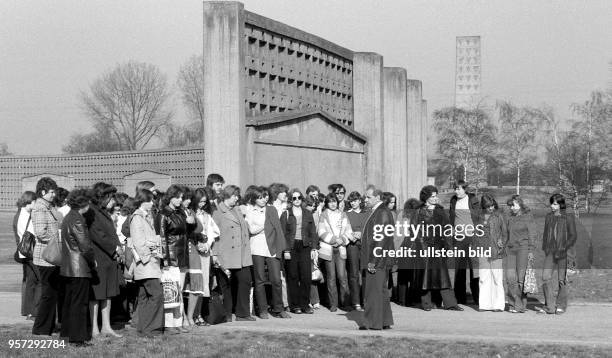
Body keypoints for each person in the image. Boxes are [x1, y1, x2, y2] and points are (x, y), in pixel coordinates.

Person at [414, 185, 463, 312]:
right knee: (426, 275)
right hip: (424, 248)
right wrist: (422, 246)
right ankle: (426, 303)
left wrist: (448, 246)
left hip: (438, 247)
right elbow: (414, 230)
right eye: (433, 196)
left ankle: (451, 304)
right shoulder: (419, 211)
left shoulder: (440, 210)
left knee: (443, 275)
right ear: (426, 197)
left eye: (436, 196)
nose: (436, 198)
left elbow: (447, 228)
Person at [85, 182, 123, 338]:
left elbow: (111, 234)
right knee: (96, 295)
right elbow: (98, 235)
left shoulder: (104, 211)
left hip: (109, 258)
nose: (112, 201)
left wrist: (119, 248)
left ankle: (106, 327)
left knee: (107, 293)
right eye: (110, 197)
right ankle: (94, 328)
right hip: (99, 258)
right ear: (102, 197)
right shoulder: (91, 212)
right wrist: (114, 250)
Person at [211, 185, 255, 321]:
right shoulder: (217, 211)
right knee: (226, 285)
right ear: (226, 195)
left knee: (245, 281)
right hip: (226, 254)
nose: (237, 198)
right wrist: (215, 254)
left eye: (238, 195)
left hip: (242, 254)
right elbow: (214, 235)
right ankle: (227, 314)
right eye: (234, 195)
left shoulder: (237, 209)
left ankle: (243, 313)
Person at [245, 186, 290, 319]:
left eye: (264, 196)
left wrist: (283, 247)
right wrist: (266, 225)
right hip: (257, 248)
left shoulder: (271, 209)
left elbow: (278, 228)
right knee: (259, 280)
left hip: (273, 248)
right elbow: (251, 230)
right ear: (254, 199)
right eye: (260, 197)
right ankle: (263, 310)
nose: (263, 199)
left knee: (276, 279)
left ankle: (278, 308)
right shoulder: (250, 211)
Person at [59, 189, 96, 346]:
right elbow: (85, 246)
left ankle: (67, 333)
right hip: (79, 267)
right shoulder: (78, 219)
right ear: (84, 203)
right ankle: (78, 338)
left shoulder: (68, 217)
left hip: (69, 266)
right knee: (79, 303)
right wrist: (92, 260)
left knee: (70, 302)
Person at [359, 185, 395, 330]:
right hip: (378, 259)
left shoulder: (381, 212)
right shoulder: (379, 211)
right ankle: (384, 321)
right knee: (380, 290)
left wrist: (372, 262)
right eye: (365, 197)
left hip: (376, 259)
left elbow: (381, 240)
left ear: (378, 197)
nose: (365, 200)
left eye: (368, 197)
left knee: (373, 291)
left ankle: (372, 323)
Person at [131, 189, 164, 337]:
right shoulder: (137, 218)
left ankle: (143, 328)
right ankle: (153, 328)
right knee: (156, 295)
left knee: (144, 296)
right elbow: (138, 242)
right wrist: (150, 254)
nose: (152, 203)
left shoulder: (146, 217)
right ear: (141, 201)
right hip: (146, 263)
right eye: (149, 200)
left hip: (149, 262)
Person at [157, 185, 190, 333]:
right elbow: (161, 238)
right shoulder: (163, 214)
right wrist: (164, 260)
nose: (180, 200)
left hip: (182, 256)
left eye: (181, 197)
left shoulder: (180, 212)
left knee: (179, 291)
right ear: (170, 197)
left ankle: (178, 322)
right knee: (171, 290)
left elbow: (185, 234)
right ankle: (169, 324)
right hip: (170, 258)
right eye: (178, 197)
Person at [184, 188, 220, 326]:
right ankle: (191, 315)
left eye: (204, 202)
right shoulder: (190, 213)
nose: (202, 205)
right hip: (193, 250)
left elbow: (213, 231)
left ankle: (197, 314)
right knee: (192, 285)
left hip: (205, 251)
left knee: (203, 284)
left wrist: (208, 244)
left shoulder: (206, 214)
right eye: (200, 202)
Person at [31, 177, 61, 336]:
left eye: (54, 191)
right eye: (51, 191)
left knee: (52, 294)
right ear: (42, 192)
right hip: (45, 257)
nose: (54, 194)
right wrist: (58, 240)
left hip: (52, 257)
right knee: (48, 294)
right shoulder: (40, 208)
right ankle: (40, 329)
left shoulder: (49, 207)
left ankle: (49, 326)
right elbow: (41, 233)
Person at [280, 189, 318, 314]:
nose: (297, 200)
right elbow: (282, 233)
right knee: (293, 276)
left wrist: (313, 248)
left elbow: (313, 232)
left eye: (299, 198)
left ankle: (305, 304)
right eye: (294, 198)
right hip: (291, 247)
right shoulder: (286, 213)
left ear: (302, 199)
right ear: (291, 199)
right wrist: (285, 250)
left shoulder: (307, 213)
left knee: (306, 276)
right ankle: (295, 305)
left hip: (305, 246)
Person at [539, 193, 577, 315]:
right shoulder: (548, 216)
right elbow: (546, 234)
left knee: (562, 280)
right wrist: (545, 247)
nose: (552, 206)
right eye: (552, 203)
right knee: (545, 277)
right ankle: (549, 306)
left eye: (555, 203)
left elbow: (573, 236)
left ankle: (561, 305)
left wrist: (564, 247)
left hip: (563, 253)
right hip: (550, 252)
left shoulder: (569, 217)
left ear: (561, 204)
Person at [318, 193, 353, 312]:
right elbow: (321, 232)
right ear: (327, 203)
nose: (333, 204)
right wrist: (333, 240)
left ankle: (345, 302)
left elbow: (349, 231)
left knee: (342, 277)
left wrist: (341, 240)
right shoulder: (323, 215)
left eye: (335, 201)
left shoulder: (343, 214)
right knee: (331, 278)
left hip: (341, 248)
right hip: (328, 249)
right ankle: (333, 304)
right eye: (330, 201)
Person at [449, 180, 481, 305]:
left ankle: (477, 297)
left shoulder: (472, 200)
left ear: (465, 189)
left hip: (472, 237)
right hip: (459, 238)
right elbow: (452, 218)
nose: (456, 191)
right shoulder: (453, 200)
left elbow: (478, 217)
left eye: (458, 188)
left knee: (474, 268)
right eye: (455, 189)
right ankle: (460, 298)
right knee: (460, 269)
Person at [505, 194, 537, 313]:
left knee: (520, 279)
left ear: (520, 204)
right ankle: (513, 304)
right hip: (511, 250)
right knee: (509, 277)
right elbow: (506, 234)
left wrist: (531, 250)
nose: (511, 208)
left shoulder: (528, 217)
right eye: (510, 206)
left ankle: (519, 305)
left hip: (523, 249)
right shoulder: (509, 217)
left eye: (513, 205)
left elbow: (532, 234)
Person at [477, 193, 507, 312]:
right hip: (483, 251)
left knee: (497, 278)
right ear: (483, 207)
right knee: (484, 278)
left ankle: (498, 305)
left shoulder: (499, 216)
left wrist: (502, 243)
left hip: (496, 251)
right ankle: (484, 305)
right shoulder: (478, 217)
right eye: (488, 206)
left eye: (492, 205)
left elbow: (505, 233)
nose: (491, 208)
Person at [15, 191, 39, 321]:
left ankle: (29, 311)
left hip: (25, 253)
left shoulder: (21, 214)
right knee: (40, 280)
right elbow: (33, 233)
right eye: (34, 202)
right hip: (31, 253)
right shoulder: (26, 216)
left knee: (31, 281)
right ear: (30, 201)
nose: (35, 205)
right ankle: (35, 311)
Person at [395, 198, 422, 307]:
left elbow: (397, 233)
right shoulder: (418, 216)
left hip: (403, 246)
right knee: (413, 275)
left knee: (402, 275)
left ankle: (402, 299)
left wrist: (396, 250)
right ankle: (412, 298)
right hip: (414, 246)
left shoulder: (402, 214)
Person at [345, 191, 368, 311]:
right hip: (352, 245)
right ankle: (356, 302)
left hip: (365, 246)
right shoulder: (346, 214)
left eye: (355, 200)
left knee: (365, 273)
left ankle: (365, 300)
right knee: (353, 274)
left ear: (360, 201)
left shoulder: (367, 213)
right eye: (351, 201)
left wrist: (362, 234)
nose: (353, 203)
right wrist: (352, 235)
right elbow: (343, 228)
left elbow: (371, 228)